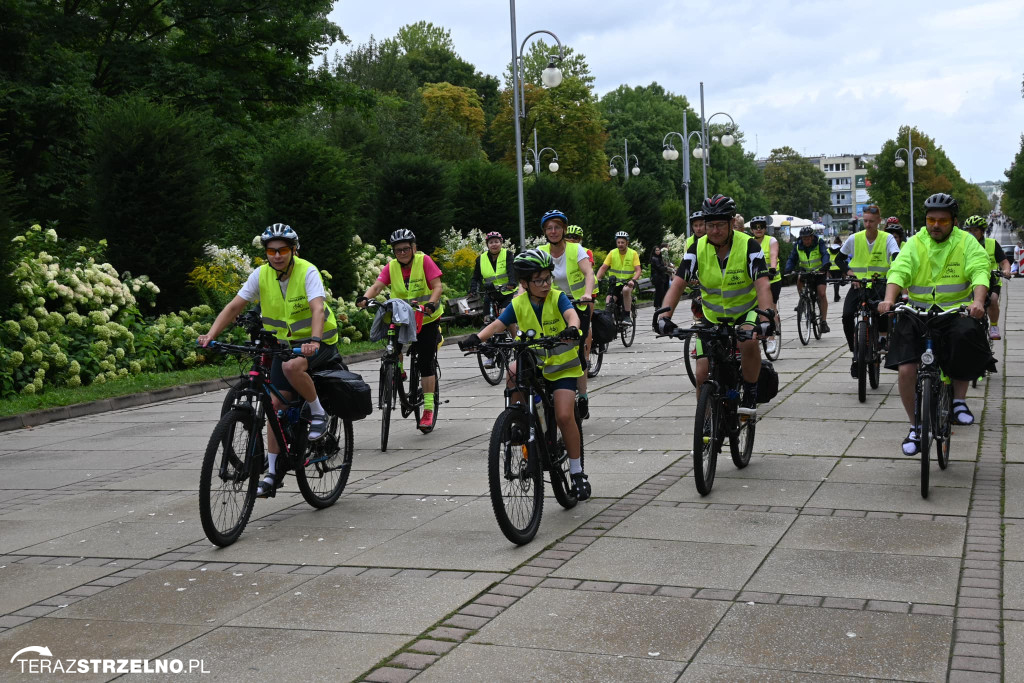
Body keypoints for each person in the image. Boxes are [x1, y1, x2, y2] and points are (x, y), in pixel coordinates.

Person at [198, 224, 340, 497]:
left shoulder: (307, 271)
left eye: (283, 250)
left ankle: (318, 411)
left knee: (291, 367)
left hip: (318, 343)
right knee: (274, 405)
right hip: (284, 345)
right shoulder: (261, 274)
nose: (277, 255)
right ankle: (273, 472)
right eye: (271, 251)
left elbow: (317, 308)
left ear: (293, 250)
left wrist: (314, 340)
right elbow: (234, 306)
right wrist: (211, 335)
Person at [459, 250, 590, 500]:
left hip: (562, 367)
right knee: (513, 373)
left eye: (547, 278)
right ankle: (518, 421)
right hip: (535, 363)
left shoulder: (558, 297)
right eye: (538, 280)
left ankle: (577, 473)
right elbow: (498, 324)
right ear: (524, 284)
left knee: (564, 415)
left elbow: (571, 314)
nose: (545, 284)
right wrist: (477, 338)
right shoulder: (518, 304)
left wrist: (573, 328)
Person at [877, 193, 994, 455]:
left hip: (954, 312)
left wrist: (977, 302)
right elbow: (900, 269)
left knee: (966, 338)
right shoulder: (915, 242)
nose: (936, 225)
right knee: (906, 369)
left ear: (954, 221)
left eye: (942, 220)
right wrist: (888, 299)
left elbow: (979, 270)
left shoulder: (966, 242)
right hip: (917, 313)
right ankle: (915, 428)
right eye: (931, 220)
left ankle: (959, 401)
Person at [656, 194, 776, 411]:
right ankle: (708, 423)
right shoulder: (697, 247)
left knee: (748, 342)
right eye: (710, 225)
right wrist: (665, 317)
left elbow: (762, 284)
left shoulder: (749, 245)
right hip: (711, 316)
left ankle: (750, 391)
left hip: (745, 312)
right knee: (702, 372)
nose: (714, 231)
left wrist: (767, 316)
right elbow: (678, 283)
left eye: (720, 225)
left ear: (732, 223)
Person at [357, 229, 444, 432]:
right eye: (398, 250)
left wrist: (431, 303)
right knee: (392, 346)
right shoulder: (392, 266)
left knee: (425, 362)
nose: (402, 253)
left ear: (413, 248)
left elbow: (437, 286)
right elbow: (377, 286)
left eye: (406, 248)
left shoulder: (425, 261)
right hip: (403, 317)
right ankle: (399, 371)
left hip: (427, 317)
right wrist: (364, 297)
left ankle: (428, 410)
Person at [537, 210, 596, 419]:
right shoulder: (541, 251)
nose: (553, 231)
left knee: (576, 352)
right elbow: (525, 282)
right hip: (550, 304)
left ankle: (582, 396)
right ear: (545, 231)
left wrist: (588, 293)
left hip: (577, 304)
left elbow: (589, 273)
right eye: (549, 228)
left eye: (557, 227)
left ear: (563, 229)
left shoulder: (575, 249)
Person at [836, 205, 900, 376]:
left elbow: (896, 257)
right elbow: (839, 259)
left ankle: (881, 339)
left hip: (879, 284)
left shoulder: (887, 239)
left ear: (879, 221)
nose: (868, 224)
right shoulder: (854, 238)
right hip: (859, 284)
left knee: (884, 311)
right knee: (847, 315)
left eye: (871, 221)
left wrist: (893, 272)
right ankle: (855, 351)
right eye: (865, 221)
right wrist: (850, 273)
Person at [469, 231, 516, 365]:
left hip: (507, 293)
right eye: (491, 242)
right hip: (491, 294)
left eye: (496, 242)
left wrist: (512, 283)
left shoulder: (507, 254)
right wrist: (473, 290)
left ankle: (516, 342)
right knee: (487, 320)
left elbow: (512, 271)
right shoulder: (481, 259)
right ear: (487, 245)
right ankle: (489, 354)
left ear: (501, 243)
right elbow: (476, 277)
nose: (494, 244)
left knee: (505, 314)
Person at [963, 215, 1011, 340]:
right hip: (972, 281)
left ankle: (994, 326)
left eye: (975, 230)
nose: (971, 233)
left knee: (993, 300)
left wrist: (1006, 270)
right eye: (969, 230)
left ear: (982, 231)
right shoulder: (962, 245)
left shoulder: (992, 244)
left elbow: (1004, 262)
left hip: (992, 280)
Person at [785, 226, 832, 333]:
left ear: (812, 237)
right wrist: (788, 269)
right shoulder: (798, 245)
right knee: (799, 280)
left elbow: (825, 254)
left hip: (819, 271)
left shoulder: (819, 242)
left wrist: (825, 265)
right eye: (804, 238)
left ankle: (823, 322)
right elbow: (792, 258)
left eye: (808, 238)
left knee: (822, 294)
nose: (806, 241)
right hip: (805, 271)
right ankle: (803, 301)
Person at [749, 216, 781, 355]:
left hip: (773, 280)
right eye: (755, 227)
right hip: (756, 281)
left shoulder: (771, 240)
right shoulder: (749, 242)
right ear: (751, 230)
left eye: (761, 226)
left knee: (770, 308)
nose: (758, 230)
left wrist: (772, 268)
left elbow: (773, 255)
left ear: (765, 228)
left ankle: (772, 338)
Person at [596, 231, 642, 317]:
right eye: (618, 242)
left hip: (628, 282)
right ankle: (609, 320)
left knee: (625, 290)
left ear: (627, 243)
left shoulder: (633, 253)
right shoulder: (612, 253)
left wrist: (633, 280)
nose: (620, 244)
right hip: (614, 282)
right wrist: (597, 279)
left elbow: (638, 270)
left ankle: (627, 316)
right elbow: (603, 267)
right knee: (609, 300)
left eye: (622, 242)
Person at [651, 243, 672, 308]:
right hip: (657, 277)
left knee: (662, 291)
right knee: (659, 292)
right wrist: (667, 268)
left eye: (659, 250)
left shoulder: (659, 258)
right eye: (656, 250)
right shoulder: (654, 258)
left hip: (661, 277)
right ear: (654, 251)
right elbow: (659, 267)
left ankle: (660, 305)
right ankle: (657, 305)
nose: (658, 251)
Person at [828, 237, 843, 302]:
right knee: (837, 283)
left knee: (835, 283)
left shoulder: (828, 250)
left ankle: (837, 295)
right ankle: (836, 296)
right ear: (839, 243)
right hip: (838, 268)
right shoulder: (841, 249)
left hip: (831, 268)